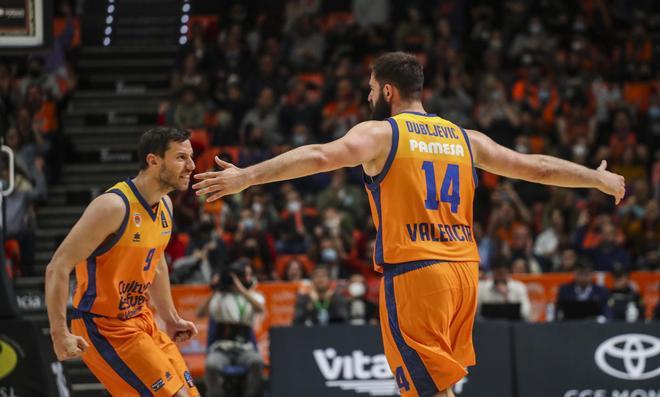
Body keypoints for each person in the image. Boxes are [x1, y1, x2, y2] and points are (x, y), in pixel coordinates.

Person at [192, 52, 625, 397]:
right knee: (438, 386)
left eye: (369, 91)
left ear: (387, 90)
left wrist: (247, 176)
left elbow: (320, 156)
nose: (367, 99)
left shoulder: (382, 134)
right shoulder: (464, 137)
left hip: (418, 275)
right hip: (464, 273)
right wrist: (596, 178)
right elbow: (538, 168)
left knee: (425, 391)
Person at [44, 127, 200, 397]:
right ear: (154, 161)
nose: (192, 166)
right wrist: (59, 333)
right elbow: (57, 266)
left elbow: (157, 261)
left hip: (141, 319)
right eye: (182, 158)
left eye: (191, 157)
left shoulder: (165, 205)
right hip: (104, 325)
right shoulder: (113, 207)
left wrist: (170, 318)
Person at [198, 258, 265, 397]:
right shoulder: (220, 297)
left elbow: (259, 308)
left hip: (244, 348)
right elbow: (200, 313)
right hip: (222, 348)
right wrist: (217, 288)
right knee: (211, 365)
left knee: (257, 361)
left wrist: (240, 289)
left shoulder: (254, 296)